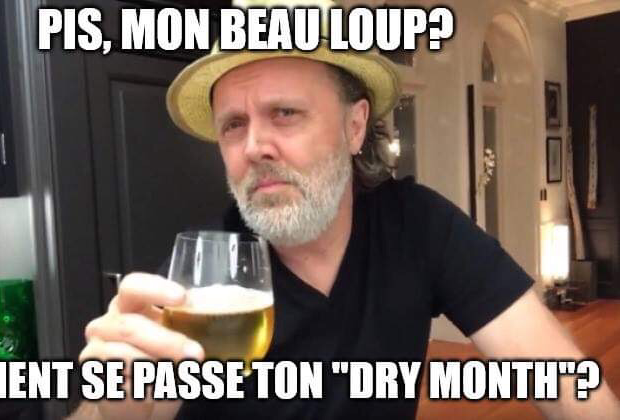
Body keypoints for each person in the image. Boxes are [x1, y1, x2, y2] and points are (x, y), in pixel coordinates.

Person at [70, 1, 620, 419]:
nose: (254, 146)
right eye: (233, 125)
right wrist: (111, 409)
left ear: (355, 127)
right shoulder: (199, 280)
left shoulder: (417, 226)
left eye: (285, 113)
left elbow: (568, 383)